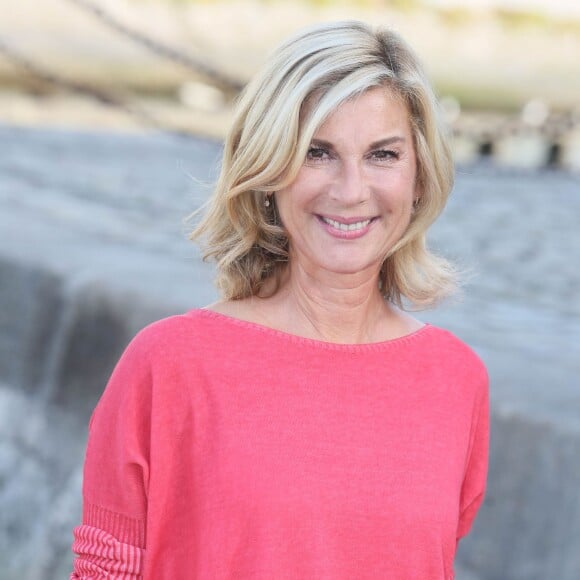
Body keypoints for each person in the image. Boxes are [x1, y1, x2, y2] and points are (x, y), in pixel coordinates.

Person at [71, 20, 489, 579]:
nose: (350, 190)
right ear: (270, 171)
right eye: (318, 153)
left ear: (419, 178)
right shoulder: (169, 364)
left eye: (383, 155)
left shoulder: (455, 379)